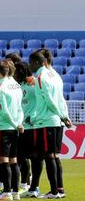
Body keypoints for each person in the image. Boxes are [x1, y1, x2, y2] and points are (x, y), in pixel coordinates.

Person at [26, 52, 71, 199]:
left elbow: (50, 100)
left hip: (46, 121)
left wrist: (63, 116)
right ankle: (60, 189)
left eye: (31, 62)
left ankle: (54, 191)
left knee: (49, 156)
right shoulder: (56, 76)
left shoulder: (41, 78)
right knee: (54, 156)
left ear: (38, 63)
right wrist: (64, 116)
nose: (30, 65)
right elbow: (61, 99)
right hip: (55, 121)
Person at [0, 59, 24, 200]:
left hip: (4, 127)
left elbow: (4, 111)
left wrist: (14, 123)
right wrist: (19, 123)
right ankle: (16, 192)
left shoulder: (0, 87)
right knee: (14, 160)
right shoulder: (16, 85)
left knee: (3, 161)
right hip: (15, 128)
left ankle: (7, 192)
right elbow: (20, 108)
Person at [13, 62, 36, 193]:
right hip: (20, 126)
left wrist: (34, 116)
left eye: (16, 72)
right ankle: (24, 183)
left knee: (31, 156)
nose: (14, 74)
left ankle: (27, 184)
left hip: (32, 126)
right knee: (20, 156)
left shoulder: (34, 85)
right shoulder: (17, 86)